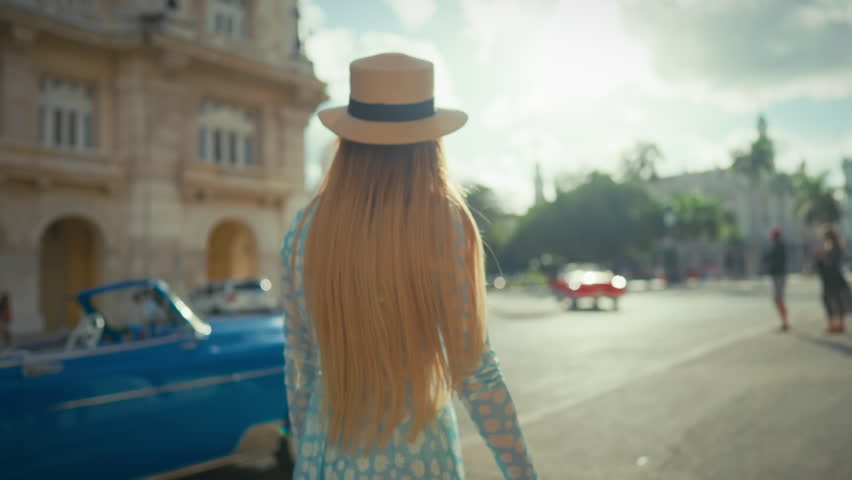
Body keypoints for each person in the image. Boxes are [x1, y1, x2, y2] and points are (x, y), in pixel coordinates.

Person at [281, 53, 537, 479]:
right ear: (429, 141)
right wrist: (522, 473)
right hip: (419, 460)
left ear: (348, 139)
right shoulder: (444, 222)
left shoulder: (304, 230)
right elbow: (475, 370)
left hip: (324, 459)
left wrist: (311, 447)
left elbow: (298, 364)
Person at [815, 229, 849, 334]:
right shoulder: (832, 246)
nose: (823, 238)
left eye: (824, 236)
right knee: (833, 301)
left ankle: (836, 325)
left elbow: (830, 262)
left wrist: (821, 255)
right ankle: (836, 325)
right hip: (831, 278)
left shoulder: (835, 247)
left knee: (831, 301)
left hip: (833, 278)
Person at [764, 228, 789, 331]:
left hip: (779, 275)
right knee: (777, 299)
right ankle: (784, 321)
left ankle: (785, 322)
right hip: (777, 275)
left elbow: (774, 259)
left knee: (778, 299)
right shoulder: (776, 246)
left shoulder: (779, 247)